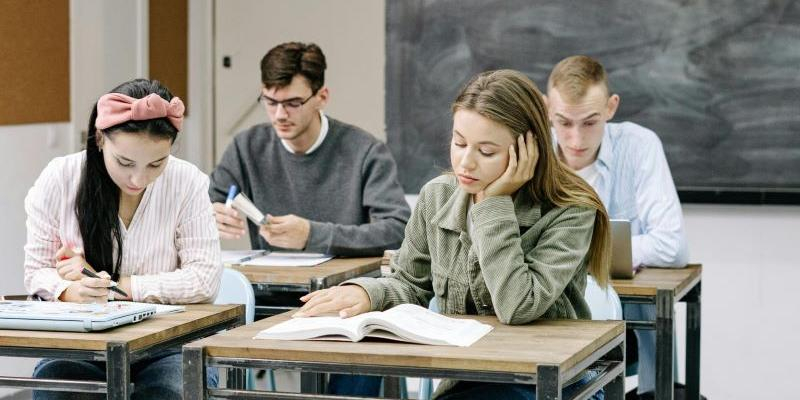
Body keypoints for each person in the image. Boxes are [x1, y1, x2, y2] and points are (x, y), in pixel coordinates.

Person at [293, 69, 611, 400]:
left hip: (553, 385)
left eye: (486, 152)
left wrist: (495, 204)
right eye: (459, 143)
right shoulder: (437, 197)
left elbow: (519, 307)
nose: (465, 163)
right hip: (470, 379)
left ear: (528, 150)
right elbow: (410, 284)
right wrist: (367, 294)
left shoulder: (571, 209)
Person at [208, 42, 410, 396]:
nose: (279, 115)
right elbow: (206, 201)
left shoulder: (364, 150)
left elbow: (397, 227)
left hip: (346, 297)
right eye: (270, 102)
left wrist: (312, 235)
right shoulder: (247, 146)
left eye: (292, 103)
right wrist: (210, 216)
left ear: (322, 97)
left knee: (362, 349)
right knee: (209, 336)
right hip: (271, 296)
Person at [24, 78, 222, 400]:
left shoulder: (187, 182)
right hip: (81, 345)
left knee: (169, 390)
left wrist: (116, 285)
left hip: (168, 344)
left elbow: (205, 279)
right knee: (59, 388)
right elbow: (36, 273)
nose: (138, 178)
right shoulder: (61, 177)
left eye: (156, 163)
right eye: (125, 162)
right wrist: (70, 291)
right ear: (101, 139)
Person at [546, 55, 690, 399]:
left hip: (623, 316)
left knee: (647, 314)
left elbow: (672, 246)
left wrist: (580, 250)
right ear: (547, 108)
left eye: (590, 122)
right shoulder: (532, 151)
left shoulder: (639, 146)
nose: (576, 138)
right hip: (549, 310)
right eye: (563, 122)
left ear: (611, 108)